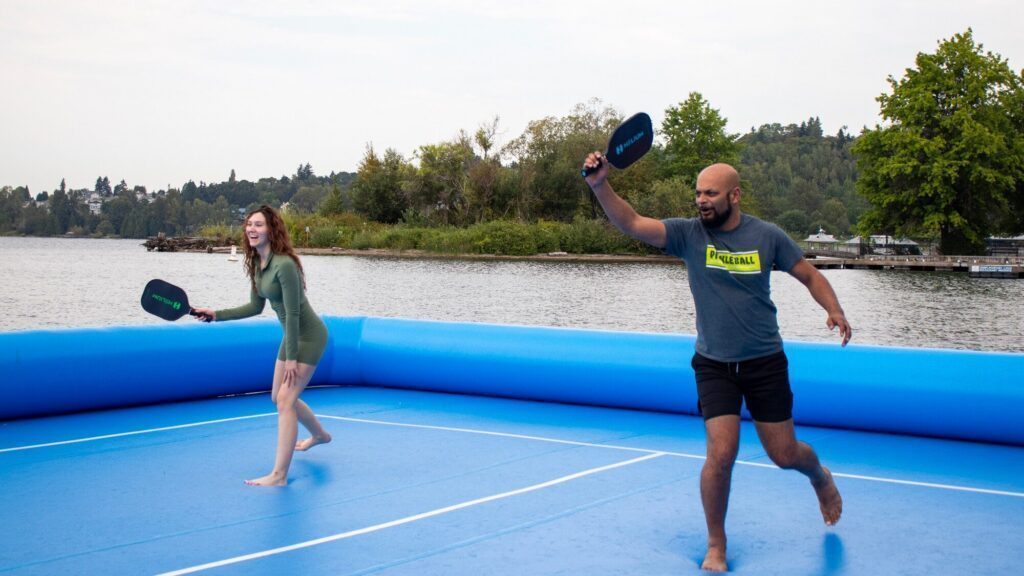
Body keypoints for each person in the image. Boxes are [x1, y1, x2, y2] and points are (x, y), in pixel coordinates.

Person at [582, 157, 850, 572]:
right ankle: (716, 544)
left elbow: (810, 276)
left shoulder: (767, 236)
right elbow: (633, 223)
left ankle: (818, 475)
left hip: (764, 362)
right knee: (721, 454)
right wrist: (600, 185)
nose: (702, 201)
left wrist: (835, 310)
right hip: (713, 364)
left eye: (710, 193)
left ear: (735, 195)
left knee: (784, 454)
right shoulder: (688, 235)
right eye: (698, 193)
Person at [193, 205, 332, 487]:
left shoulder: (285, 265)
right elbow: (255, 307)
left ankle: (279, 475)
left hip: (308, 336)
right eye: (248, 224)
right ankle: (320, 435)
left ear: (271, 230)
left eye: (258, 225)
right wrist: (216, 314)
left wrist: (292, 358)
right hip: (291, 337)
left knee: (285, 400)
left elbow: (293, 314)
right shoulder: (258, 264)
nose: (252, 229)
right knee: (277, 396)